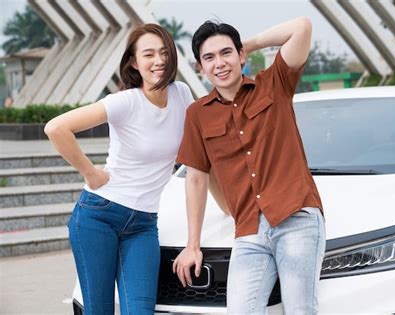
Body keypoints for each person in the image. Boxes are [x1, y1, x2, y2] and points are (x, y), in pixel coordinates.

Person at [172, 17, 326, 314]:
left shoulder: (274, 84)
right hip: (248, 230)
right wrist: (193, 245)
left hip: (295, 216)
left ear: (241, 56)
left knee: (300, 310)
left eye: (226, 53)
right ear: (200, 68)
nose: (219, 63)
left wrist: (248, 44)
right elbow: (196, 179)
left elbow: (302, 27)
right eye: (209, 58)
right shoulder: (197, 115)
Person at [44, 23, 194, 314]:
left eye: (164, 52)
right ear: (134, 63)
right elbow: (56, 128)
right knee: (98, 310)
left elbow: (200, 157)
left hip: (143, 225)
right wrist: (91, 173)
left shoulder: (182, 94)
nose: (159, 60)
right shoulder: (125, 102)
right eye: (148, 54)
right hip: (99, 215)